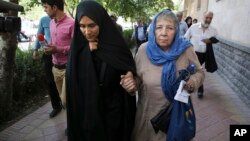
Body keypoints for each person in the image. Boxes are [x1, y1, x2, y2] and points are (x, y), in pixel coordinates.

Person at [121, 9, 204, 141]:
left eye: (170, 28)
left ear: (176, 31)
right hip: (147, 116)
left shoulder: (185, 49)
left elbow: (200, 72)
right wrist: (131, 84)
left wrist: (193, 82)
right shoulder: (143, 50)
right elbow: (137, 79)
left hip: (175, 116)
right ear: (153, 29)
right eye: (159, 27)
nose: (164, 33)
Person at [66, 1, 136, 141]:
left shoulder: (116, 46)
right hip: (89, 111)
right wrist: (87, 53)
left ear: (102, 22)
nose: (87, 31)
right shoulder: (78, 50)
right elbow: (73, 79)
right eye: (82, 26)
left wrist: (131, 76)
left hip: (114, 110)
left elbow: (128, 66)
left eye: (92, 25)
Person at [41, 0, 74, 107]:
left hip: (69, 68)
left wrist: (58, 49)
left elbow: (76, 48)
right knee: (65, 103)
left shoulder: (72, 24)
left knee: (65, 101)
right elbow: (54, 43)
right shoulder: (51, 23)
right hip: (55, 68)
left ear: (54, 7)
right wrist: (48, 46)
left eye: (46, 7)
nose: (44, 10)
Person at [32, 15, 62, 118]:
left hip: (62, 54)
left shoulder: (65, 20)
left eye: (46, 6)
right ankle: (56, 106)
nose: (45, 9)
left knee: (64, 82)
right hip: (48, 54)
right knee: (50, 81)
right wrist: (35, 49)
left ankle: (66, 103)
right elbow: (39, 34)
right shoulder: (44, 20)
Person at [184, 11, 219, 98]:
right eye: (207, 17)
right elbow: (185, 38)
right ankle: (199, 88)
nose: (208, 20)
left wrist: (210, 41)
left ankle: (193, 87)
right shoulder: (193, 27)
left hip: (205, 55)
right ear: (203, 17)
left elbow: (215, 39)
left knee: (197, 70)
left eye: (210, 18)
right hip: (193, 53)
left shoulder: (213, 30)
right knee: (197, 70)